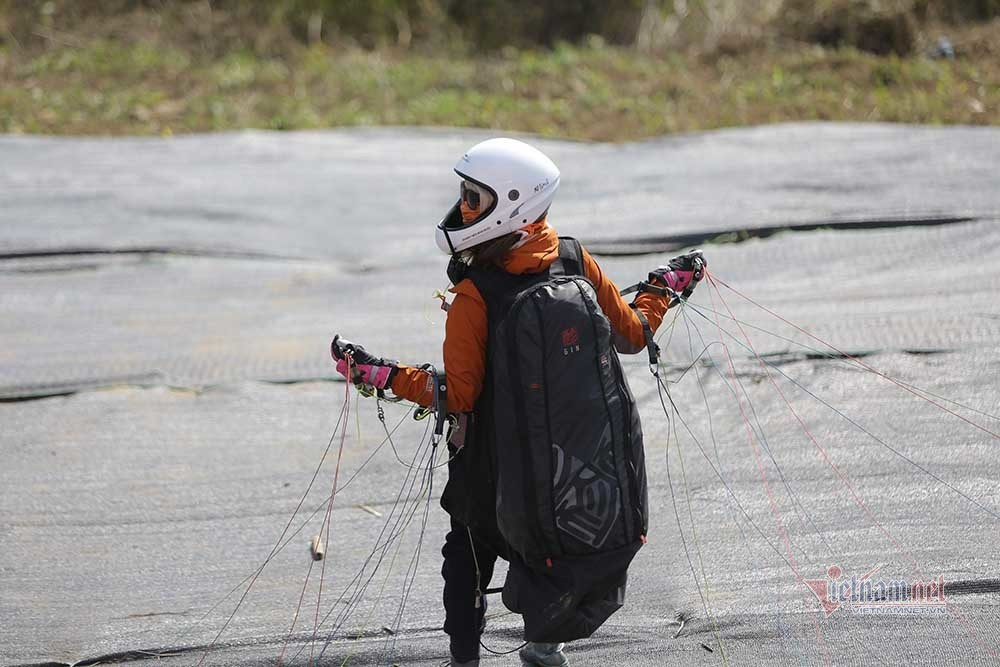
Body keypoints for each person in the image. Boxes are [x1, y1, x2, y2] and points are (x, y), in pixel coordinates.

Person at [332, 138, 705, 666]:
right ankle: (543, 648)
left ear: (512, 204)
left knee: (465, 556)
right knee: (545, 545)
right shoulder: (575, 259)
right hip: (572, 469)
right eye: (464, 194)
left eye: (473, 199)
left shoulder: (475, 294)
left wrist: (381, 375)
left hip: (490, 469)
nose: (462, 208)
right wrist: (663, 289)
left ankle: (465, 659)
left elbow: (457, 394)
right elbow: (632, 334)